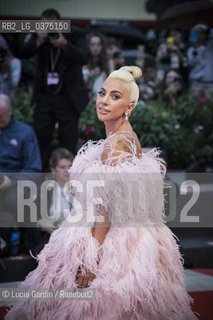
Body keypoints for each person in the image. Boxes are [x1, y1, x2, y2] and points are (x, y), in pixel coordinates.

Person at [5, 66, 198, 320]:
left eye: (115, 96)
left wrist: (90, 257)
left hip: (114, 240)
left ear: (130, 107)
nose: (104, 101)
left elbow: (106, 206)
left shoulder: (116, 144)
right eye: (102, 93)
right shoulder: (123, 137)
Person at [21, 8, 89, 171]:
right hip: (45, 97)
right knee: (40, 138)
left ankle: (68, 179)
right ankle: (41, 175)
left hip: (68, 97)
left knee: (68, 141)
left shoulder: (74, 34)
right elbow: (22, 53)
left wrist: (65, 45)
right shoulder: (38, 35)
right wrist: (38, 39)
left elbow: (84, 57)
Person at [0, 93, 41, 256]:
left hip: (14, 185)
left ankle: (12, 250)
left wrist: (12, 180)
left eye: (1, 116)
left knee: (16, 201)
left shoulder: (25, 133)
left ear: (11, 111)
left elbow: (34, 169)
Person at [29, 148, 74, 255]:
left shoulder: (80, 188)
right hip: (51, 237)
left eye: (70, 167)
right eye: (62, 167)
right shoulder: (43, 189)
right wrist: (41, 224)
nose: (67, 171)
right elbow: (29, 217)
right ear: (53, 169)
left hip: (73, 238)